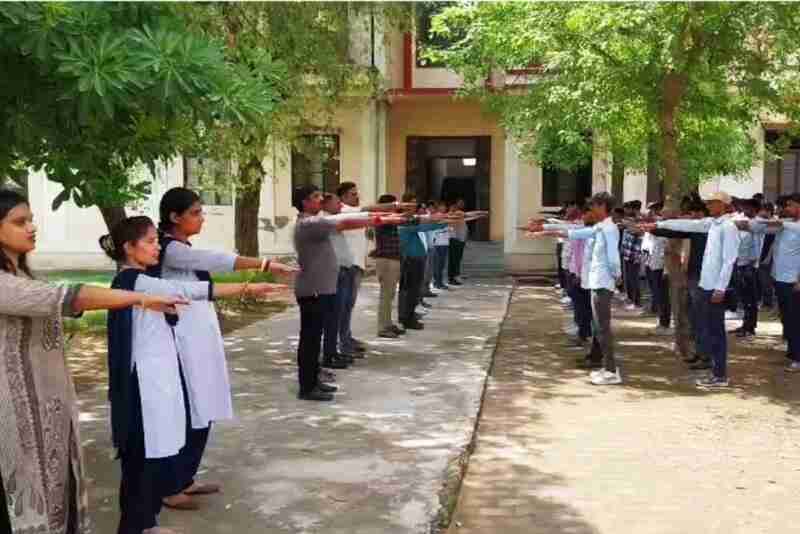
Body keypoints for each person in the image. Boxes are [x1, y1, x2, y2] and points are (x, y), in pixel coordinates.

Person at [0, 190, 187, 534]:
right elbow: (72, 295)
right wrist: (144, 298)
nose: (31, 227)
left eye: (30, 219)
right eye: (19, 221)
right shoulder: (8, 285)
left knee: (58, 487)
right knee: (25, 497)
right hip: (14, 412)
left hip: (51, 407)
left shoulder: (26, 278)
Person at [101, 215, 283, 534]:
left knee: (155, 455)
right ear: (129, 248)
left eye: (157, 241)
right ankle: (135, 527)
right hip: (143, 384)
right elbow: (189, 289)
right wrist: (249, 286)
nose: (158, 248)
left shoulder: (140, 280)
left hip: (158, 380)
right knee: (142, 459)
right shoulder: (133, 282)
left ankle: (147, 522)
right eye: (150, 242)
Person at [148, 187, 295, 511]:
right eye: (196, 212)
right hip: (180, 342)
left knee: (205, 406)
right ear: (174, 217)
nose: (202, 218)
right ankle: (169, 487)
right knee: (188, 410)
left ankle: (185, 478)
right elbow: (215, 260)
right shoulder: (171, 250)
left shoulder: (180, 248)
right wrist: (266, 264)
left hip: (199, 339)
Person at [292, 185, 405, 401]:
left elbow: (345, 221)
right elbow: (345, 222)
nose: (321, 201)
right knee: (310, 340)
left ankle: (314, 380)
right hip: (313, 289)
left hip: (320, 288)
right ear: (305, 202)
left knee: (314, 339)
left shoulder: (314, 222)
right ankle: (307, 387)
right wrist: (383, 219)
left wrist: (381, 217)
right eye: (316, 197)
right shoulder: (309, 223)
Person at [649, 191, 741, 388]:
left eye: (712, 203)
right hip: (706, 284)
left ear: (723, 204)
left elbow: (729, 261)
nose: (708, 206)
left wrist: (720, 288)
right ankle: (716, 373)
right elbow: (686, 224)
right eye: (708, 203)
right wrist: (658, 225)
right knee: (709, 328)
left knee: (717, 332)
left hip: (715, 287)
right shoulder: (712, 224)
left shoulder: (728, 227)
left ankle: (720, 376)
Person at [530, 193, 623, 385]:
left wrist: (616, 276)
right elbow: (575, 232)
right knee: (599, 327)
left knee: (603, 328)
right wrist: (546, 230)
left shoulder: (609, 228)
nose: (591, 210)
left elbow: (614, 258)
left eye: (594, 206)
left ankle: (612, 371)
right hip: (597, 282)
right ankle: (607, 367)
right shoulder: (600, 227)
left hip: (603, 283)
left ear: (603, 206)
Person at [737, 194, 800, 372]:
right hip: (780, 278)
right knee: (787, 318)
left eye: (791, 205)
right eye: (787, 205)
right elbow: (756, 228)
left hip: (793, 282)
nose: (787, 209)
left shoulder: (790, 226)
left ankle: (797, 357)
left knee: (795, 319)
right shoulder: (784, 225)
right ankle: (792, 352)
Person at [337, 182, 370, 357]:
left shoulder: (354, 213)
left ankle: (346, 337)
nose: (357, 196)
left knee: (349, 305)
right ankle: (342, 343)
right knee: (343, 306)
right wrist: (394, 207)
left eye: (357, 193)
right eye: (352, 194)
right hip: (347, 266)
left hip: (356, 265)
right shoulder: (343, 212)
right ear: (342, 198)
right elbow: (368, 210)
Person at [372, 194, 406, 339]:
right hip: (387, 260)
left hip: (392, 259)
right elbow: (403, 220)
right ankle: (383, 327)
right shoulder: (383, 219)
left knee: (390, 294)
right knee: (386, 295)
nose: (396, 207)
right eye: (393, 204)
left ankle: (388, 323)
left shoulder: (389, 218)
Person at [432, 201, 452, 290]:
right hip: (437, 244)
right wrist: (444, 229)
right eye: (442, 206)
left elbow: (448, 229)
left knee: (442, 264)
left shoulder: (446, 216)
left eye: (444, 206)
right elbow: (434, 229)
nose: (444, 208)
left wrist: (448, 229)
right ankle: (437, 282)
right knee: (438, 264)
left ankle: (440, 282)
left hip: (445, 243)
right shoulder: (435, 216)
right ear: (438, 207)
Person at [448, 198, 468, 286]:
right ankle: (453, 277)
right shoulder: (455, 214)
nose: (461, 204)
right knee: (454, 260)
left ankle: (455, 276)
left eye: (462, 203)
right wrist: (481, 213)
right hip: (455, 240)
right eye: (460, 203)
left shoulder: (459, 214)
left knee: (457, 259)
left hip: (460, 240)